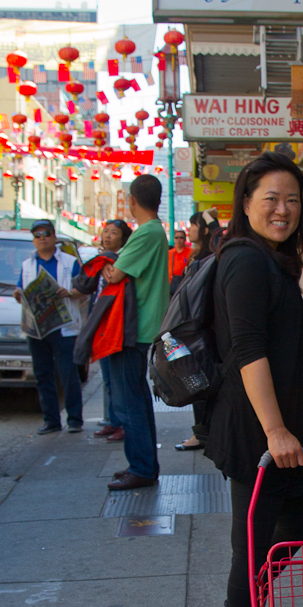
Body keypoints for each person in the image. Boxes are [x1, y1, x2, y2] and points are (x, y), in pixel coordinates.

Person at [197, 152, 303, 607]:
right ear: (245, 202)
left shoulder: (268, 260)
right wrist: (275, 430)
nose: (283, 209)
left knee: (294, 523)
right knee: (256, 536)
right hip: (257, 430)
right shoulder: (246, 261)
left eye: (292, 200)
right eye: (270, 198)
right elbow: (248, 350)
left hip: (271, 427)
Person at [102, 175, 170, 490]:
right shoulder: (155, 232)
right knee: (136, 399)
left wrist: (108, 271)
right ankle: (141, 464)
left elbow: (115, 274)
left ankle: (141, 467)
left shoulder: (147, 232)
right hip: (141, 325)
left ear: (132, 200)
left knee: (129, 400)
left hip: (134, 327)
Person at [13, 220, 84, 436]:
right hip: (36, 328)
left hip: (62, 328)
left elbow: (83, 289)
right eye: (37, 235)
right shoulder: (27, 264)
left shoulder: (70, 262)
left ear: (54, 237)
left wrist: (69, 292)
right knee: (43, 374)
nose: (42, 238)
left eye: (46, 234)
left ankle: (74, 419)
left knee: (67, 373)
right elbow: (20, 289)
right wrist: (18, 294)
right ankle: (51, 420)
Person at [175, 208, 223, 453]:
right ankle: (204, 431)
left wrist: (209, 218)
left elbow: (221, 234)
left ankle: (203, 433)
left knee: (200, 381)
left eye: (194, 225)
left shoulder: (213, 253)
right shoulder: (196, 256)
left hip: (203, 330)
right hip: (193, 328)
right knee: (197, 381)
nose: (190, 230)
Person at [92, 219, 132, 442]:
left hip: (115, 326)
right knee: (108, 378)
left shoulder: (120, 261)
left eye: (113, 233)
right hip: (102, 327)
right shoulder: (102, 259)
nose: (107, 236)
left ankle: (122, 422)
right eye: (105, 231)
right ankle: (114, 421)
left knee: (118, 380)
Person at [168, 229, 192, 296]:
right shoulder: (169, 253)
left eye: (181, 237)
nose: (179, 239)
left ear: (185, 239)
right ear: (174, 239)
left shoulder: (191, 252)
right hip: (171, 286)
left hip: (185, 284)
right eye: (176, 238)